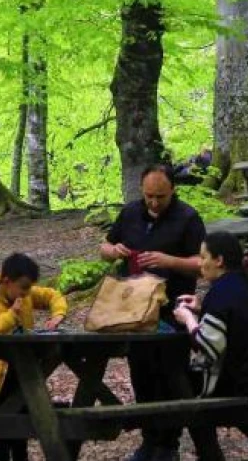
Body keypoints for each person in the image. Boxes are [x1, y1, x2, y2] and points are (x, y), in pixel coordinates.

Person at [100, 164, 206, 461]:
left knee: (171, 375)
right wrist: (113, 251)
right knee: (141, 373)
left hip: (173, 310)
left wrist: (169, 261)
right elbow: (104, 246)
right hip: (134, 309)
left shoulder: (188, 218)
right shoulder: (131, 213)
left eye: (160, 196)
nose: (154, 202)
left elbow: (203, 264)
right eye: (149, 196)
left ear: (173, 190)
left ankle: (168, 444)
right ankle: (149, 441)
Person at [173, 232, 248, 461]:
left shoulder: (221, 293)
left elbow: (208, 346)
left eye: (204, 256)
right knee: (217, 388)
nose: (199, 262)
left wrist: (188, 319)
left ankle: (208, 455)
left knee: (183, 384)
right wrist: (202, 308)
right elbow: (235, 319)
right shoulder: (244, 282)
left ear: (219, 260)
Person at [0, 253, 68, 461]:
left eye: (29, 288)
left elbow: (52, 295)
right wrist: (11, 316)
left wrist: (58, 313)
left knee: (22, 419)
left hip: (22, 366)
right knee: (5, 420)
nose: (27, 293)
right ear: (7, 282)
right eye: (23, 287)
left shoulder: (24, 293)